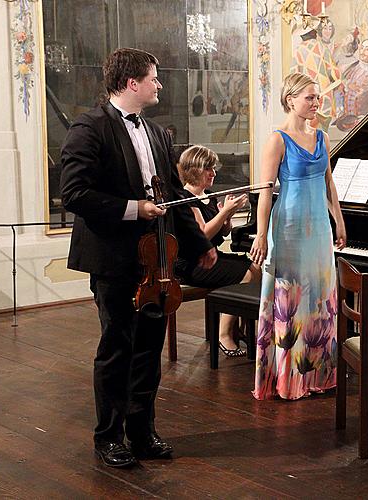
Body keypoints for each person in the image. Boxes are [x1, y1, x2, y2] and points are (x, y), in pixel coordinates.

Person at [61, 48, 216, 468]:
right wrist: (135, 208)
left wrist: (200, 244)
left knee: (148, 349)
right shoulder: (89, 128)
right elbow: (74, 194)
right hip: (113, 259)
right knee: (117, 347)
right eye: (154, 78)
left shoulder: (157, 133)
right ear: (132, 83)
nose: (159, 84)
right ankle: (109, 437)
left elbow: (174, 195)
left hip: (157, 263)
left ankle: (142, 431)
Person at [249, 73, 346, 400]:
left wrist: (339, 222)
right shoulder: (277, 139)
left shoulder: (322, 137)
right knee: (291, 299)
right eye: (309, 97)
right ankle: (290, 379)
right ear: (290, 99)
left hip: (318, 226)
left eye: (317, 97)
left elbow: (329, 184)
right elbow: (265, 192)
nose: (316, 103)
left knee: (320, 295)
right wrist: (261, 235)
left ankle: (319, 375)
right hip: (289, 227)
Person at [175, 145, 261, 357]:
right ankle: (223, 334)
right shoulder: (186, 199)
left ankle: (240, 328)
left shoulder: (209, 196)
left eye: (213, 168)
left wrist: (227, 216)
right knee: (248, 275)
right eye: (209, 169)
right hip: (192, 263)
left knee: (257, 267)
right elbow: (202, 235)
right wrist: (225, 213)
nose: (214, 173)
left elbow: (221, 233)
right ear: (194, 169)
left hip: (211, 257)